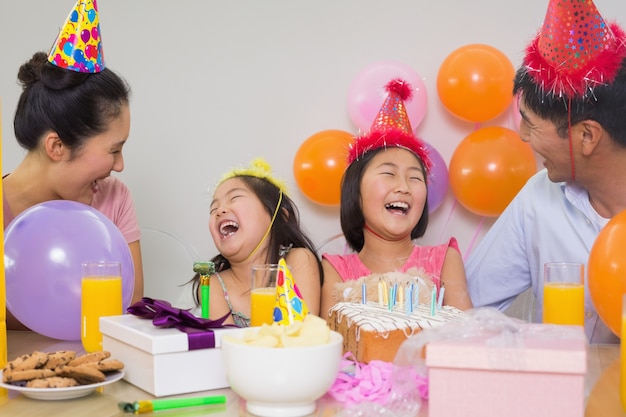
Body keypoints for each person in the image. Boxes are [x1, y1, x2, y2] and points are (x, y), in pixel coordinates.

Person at [466, 0, 626, 343]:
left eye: (531, 125)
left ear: (587, 136)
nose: (522, 137)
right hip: (555, 394)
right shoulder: (539, 197)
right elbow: (467, 306)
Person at [3, 0, 144, 330]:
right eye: (114, 149)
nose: (120, 165)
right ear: (57, 146)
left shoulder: (114, 198)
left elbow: (130, 309)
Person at [320, 79, 472, 318]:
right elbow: (334, 347)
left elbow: (466, 340)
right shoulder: (336, 269)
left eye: (415, 178)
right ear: (355, 189)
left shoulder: (443, 261)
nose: (403, 187)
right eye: (389, 174)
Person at [190, 158, 322, 327]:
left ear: (278, 217)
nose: (220, 211)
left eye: (235, 198)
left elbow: (301, 333)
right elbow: (227, 348)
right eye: (213, 209)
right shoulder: (212, 284)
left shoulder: (298, 260)